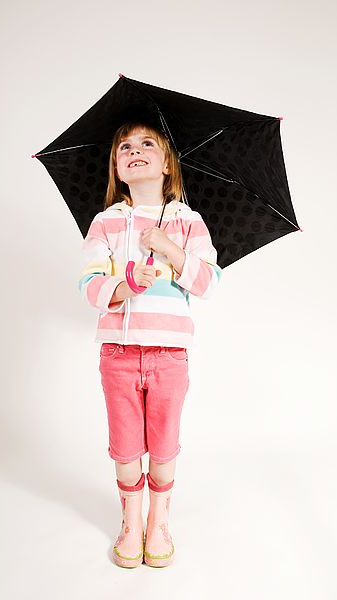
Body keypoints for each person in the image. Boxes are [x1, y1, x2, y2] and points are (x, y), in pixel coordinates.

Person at [78, 121, 222, 568]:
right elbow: (89, 284)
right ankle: (131, 521)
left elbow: (209, 282)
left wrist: (171, 250)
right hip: (119, 354)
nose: (134, 151)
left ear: (167, 165)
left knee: (163, 445)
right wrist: (124, 284)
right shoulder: (105, 223)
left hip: (169, 354)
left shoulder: (188, 221)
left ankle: (158, 523)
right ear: (118, 169)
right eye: (124, 147)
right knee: (124, 446)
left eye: (147, 144)